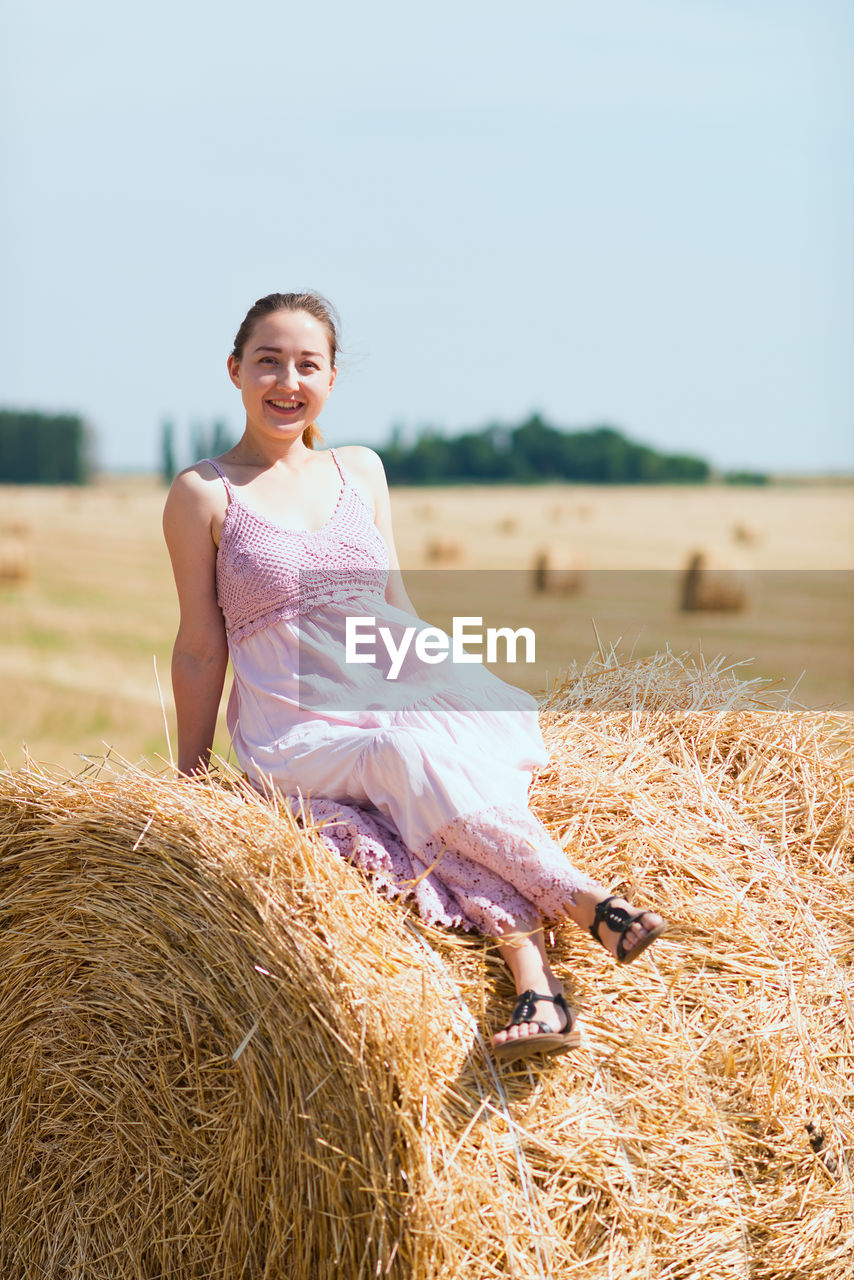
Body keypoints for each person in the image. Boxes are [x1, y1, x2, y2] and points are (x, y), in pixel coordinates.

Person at [162, 291, 669, 1065]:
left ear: (331, 379)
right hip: (293, 725)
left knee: (424, 755)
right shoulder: (204, 493)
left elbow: (395, 602)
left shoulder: (360, 471)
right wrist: (190, 780)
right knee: (400, 756)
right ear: (235, 371)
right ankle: (581, 898)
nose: (286, 380)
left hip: (388, 686)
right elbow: (202, 645)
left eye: (307, 364)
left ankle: (536, 980)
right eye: (267, 361)